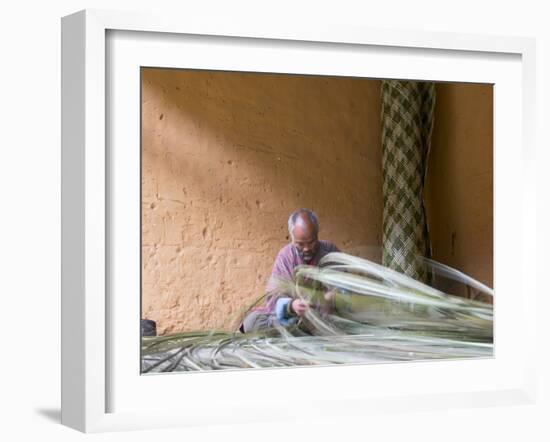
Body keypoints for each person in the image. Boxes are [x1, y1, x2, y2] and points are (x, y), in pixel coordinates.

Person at [240, 208, 339, 333]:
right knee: (252, 322)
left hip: (325, 317)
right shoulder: (286, 255)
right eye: (300, 244)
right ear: (292, 239)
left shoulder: (330, 251)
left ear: (317, 235)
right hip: (295, 318)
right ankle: (301, 332)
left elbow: (346, 284)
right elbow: (274, 294)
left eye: (311, 242)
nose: (307, 248)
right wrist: (291, 305)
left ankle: (307, 333)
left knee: (344, 322)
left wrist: (333, 296)